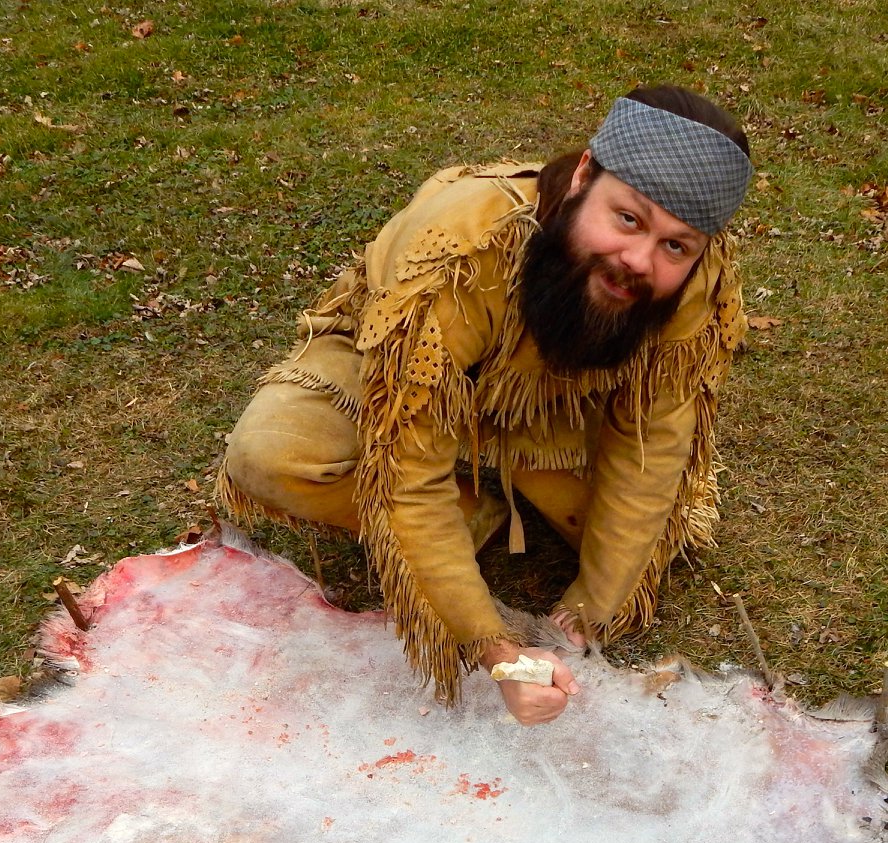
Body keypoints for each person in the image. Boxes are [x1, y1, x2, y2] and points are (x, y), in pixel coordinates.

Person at [218, 86, 751, 724]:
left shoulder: (696, 278)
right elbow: (407, 475)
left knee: (651, 539)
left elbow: (652, 447)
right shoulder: (457, 255)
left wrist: (588, 611)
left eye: (675, 246)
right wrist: (497, 650)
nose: (637, 261)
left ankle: (506, 485)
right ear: (583, 174)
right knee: (274, 458)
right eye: (628, 219)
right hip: (394, 364)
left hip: (548, 401)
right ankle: (477, 512)